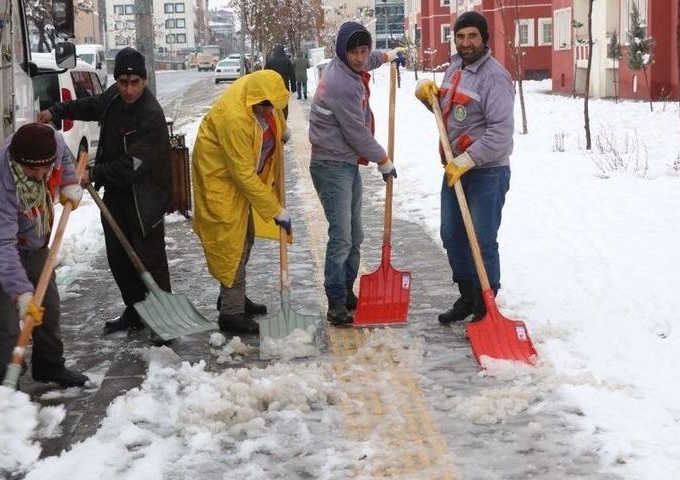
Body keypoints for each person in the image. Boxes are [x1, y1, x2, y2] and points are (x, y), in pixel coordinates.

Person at [38, 47, 172, 334]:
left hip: (144, 199)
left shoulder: (151, 116)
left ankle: (164, 318)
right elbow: (89, 105)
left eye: (134, 83)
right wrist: (56, 111)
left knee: (150, 260)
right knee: (119, 260)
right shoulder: (113, 97)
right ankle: (136, 311)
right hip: (116, 195)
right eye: (123, 82)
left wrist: (94, 173)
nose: (128, 89)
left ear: (144, 81)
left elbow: (133, 163)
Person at [0, 123, 88, 388]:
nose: (41, 174)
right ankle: (7, 382)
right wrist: (21, 291)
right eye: (33, 170)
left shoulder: (50, 142)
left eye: (46, 168)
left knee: (48, 305)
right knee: (7, 319)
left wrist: (68, 182)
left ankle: (49, 366)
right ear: (16, 162)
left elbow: (65, 157)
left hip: (33, 236)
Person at [415, 11, 514, 325]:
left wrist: (468, 160)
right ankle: (469, 294)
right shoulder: (455, 68)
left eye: (472, 36)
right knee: (453, 234)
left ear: (484, 38)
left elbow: (500, 132)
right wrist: (429, 98)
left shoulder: (495, 77)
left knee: (482, 238)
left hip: (487, 171)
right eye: (460, 37)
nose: (466, 42)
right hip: (455, 169)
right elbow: (452, 112)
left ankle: (487, 302)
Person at [308, 21, 402, 325]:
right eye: (355, 53)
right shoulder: (341, 84)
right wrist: (383, 160)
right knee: (342, 236)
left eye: (365, 51)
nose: (361, 58)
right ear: (341, 51)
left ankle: (347, 290)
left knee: (355, 234)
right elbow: (356, 133)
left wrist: (388, 56)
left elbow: (371, 60)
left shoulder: (349, 66)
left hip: (345, 162)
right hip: (330, 164)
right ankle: (336, 299)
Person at [191, 70, 291, 334]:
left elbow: (275, 107)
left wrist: (283, 128)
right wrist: (275, 210)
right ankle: (231, 314)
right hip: (218, 177)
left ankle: (232, 296)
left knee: (246, 237)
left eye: (272, 105)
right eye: (265, 106)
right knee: (231, 243)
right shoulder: (235, 119)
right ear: (255, 100)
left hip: (237, 172)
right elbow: (243, 174)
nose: (269, 110)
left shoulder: (260, 91)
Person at [264, 45, 296, 117]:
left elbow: (265, 74)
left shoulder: (270, 62)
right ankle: (284, 119)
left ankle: (275, 119)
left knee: (273, 104)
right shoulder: (287, 61)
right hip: (284, 86)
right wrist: (294, 87)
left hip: (273, 87)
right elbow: (292, 75)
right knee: (284, 104)